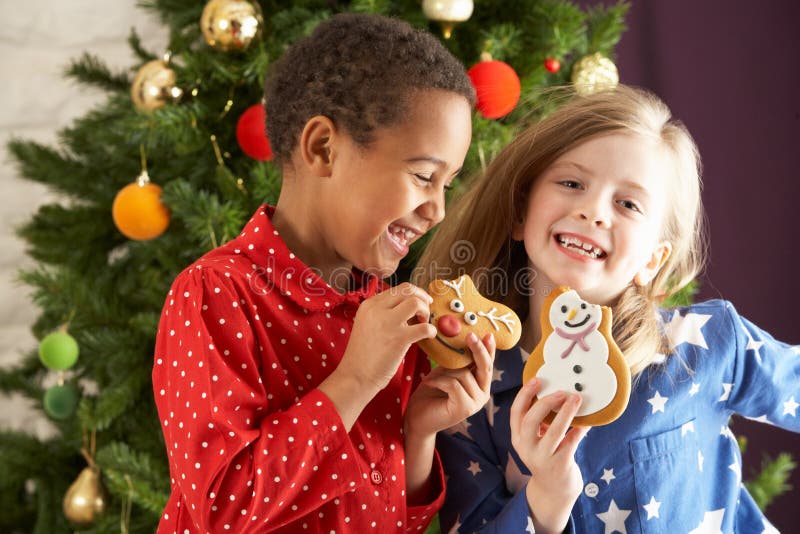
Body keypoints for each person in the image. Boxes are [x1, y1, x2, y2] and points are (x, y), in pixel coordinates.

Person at [151, 13, 496, 533]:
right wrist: (355, 380)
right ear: (322, 148)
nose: (437, 210)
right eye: (424, 176)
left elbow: (395, 519)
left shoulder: (389, 315)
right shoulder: (217, 293)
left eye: (446, 184)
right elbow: (222, 509)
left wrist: (418, 433)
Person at [415, 85, 799, 533]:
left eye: (628, 204)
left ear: (652, 260)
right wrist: (546, 498)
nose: (593, 211)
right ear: (521, 214)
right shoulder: (470, 398)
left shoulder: (708, 344)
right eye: (572, 183)